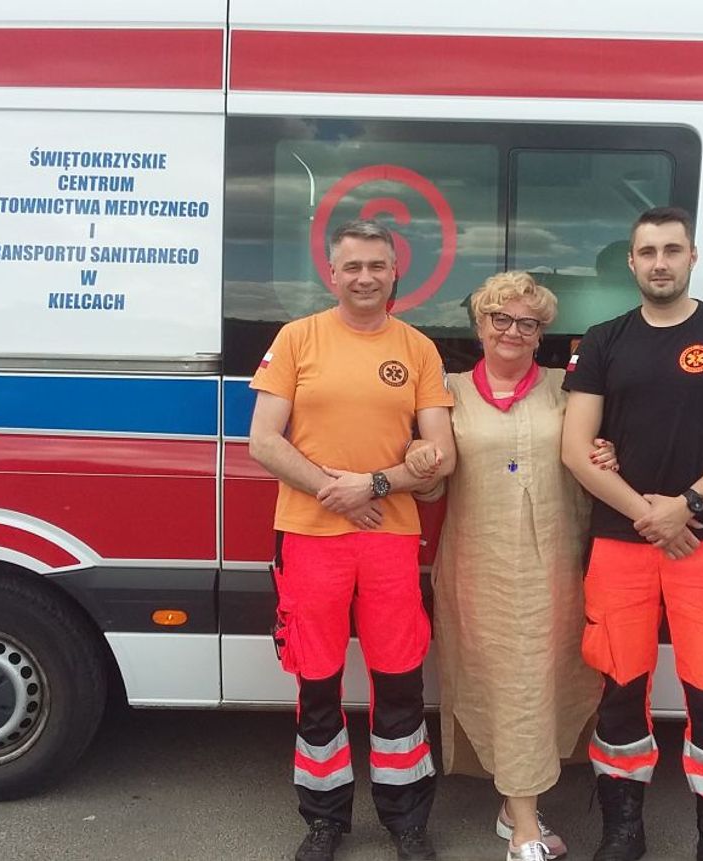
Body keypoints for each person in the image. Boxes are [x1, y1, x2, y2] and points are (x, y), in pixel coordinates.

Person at [560, 206, 703, 861]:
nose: (660, 263)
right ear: (632, 262)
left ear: (691, 256)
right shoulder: (603, 340)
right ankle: (623, 831)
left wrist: (687, 504)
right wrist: (651, 517)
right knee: (620, 690)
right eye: (648, 252)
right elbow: (575, 448)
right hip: (621, 544)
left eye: (672, 250)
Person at [248, 220, 456, 861]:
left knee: (399, 680)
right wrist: (330, 490)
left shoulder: (418, 349)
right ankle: (324, 819)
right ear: (332, 274)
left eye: (377, 266)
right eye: (353, 266)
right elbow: (263, 440)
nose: (365, 277)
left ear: (395, 274)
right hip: (310, 536)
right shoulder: (296, 339)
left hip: (390, 539)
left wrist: (374, 484)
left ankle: (406, 820)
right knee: (317, 680)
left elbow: (442, 455)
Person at [404, 272, 615, 861]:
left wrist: (607, 453)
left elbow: (591, 461)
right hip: (480, 568)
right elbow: (432, 485)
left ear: (542, 333)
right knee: (509, 684)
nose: (513, 331)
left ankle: (513, 808)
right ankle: (524, 826)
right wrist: (420, 462)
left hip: (557, 567)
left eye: (529, 322)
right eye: (501, 318)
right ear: (479, 325)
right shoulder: (445, 392)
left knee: (544, 684)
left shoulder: (569, 389)